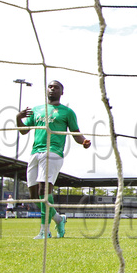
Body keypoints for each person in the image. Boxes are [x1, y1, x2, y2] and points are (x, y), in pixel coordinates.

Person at [17, 80, 91, 239]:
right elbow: (24, 131)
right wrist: (18, 117)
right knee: (34, 195)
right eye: (50, 87)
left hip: (53, 152)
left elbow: (75, 132)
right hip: (35, 153)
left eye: (56, 87)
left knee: (44, 190)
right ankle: (59, 219)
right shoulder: (37, 110)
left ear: (61, 92)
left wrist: (83, 141)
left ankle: (45, 231)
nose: (52, 89)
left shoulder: (67, 112)